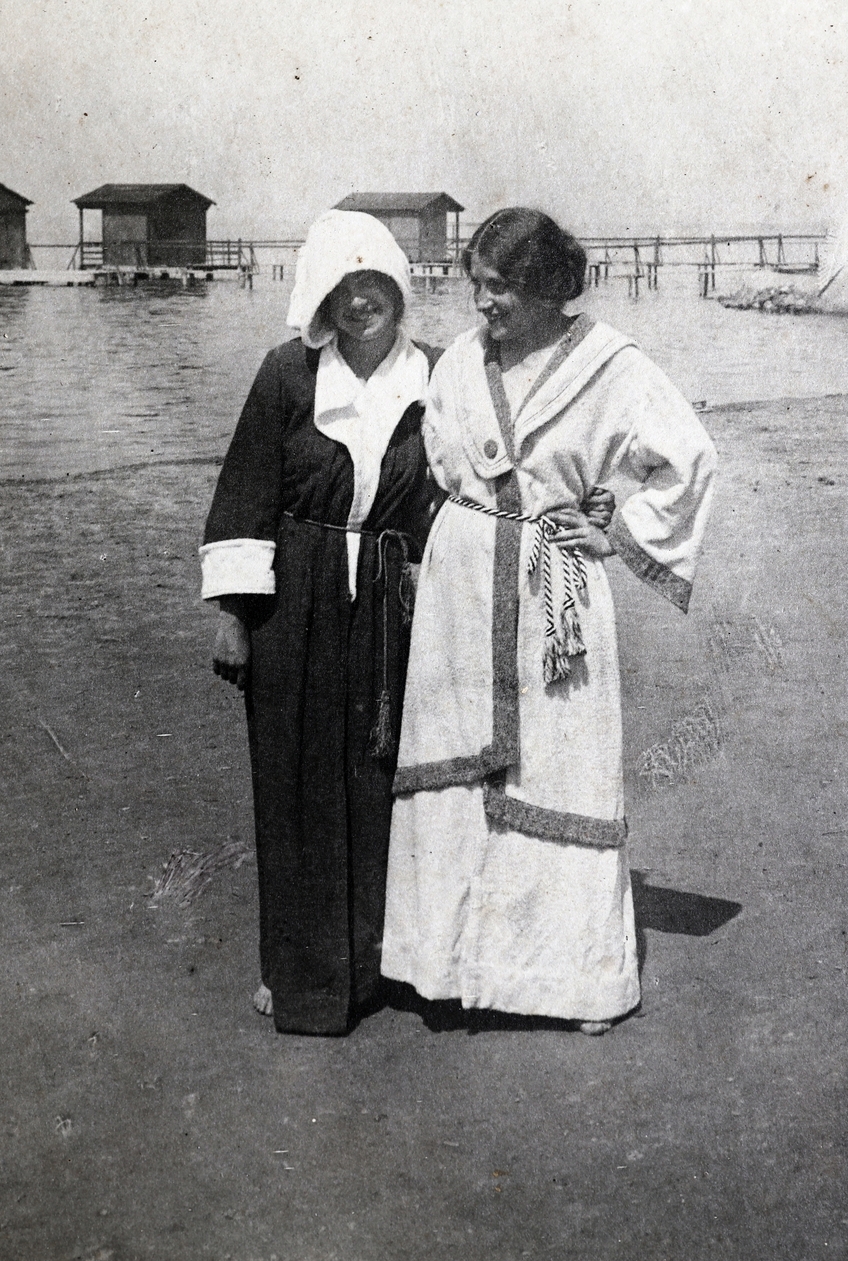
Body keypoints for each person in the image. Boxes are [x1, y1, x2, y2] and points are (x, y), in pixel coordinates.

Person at [381, 208, 718, 1035]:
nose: (482, 304)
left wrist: (618, 530)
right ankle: (448, 966)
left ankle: (571, 981)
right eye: (476, 286)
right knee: (455, 765)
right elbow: (423, 459)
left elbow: (691, 457)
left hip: (553, 584)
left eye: (498, 288)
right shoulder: (460, 361)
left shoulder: (612, 366)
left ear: (542, 288)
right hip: (462, 583)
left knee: (561, 763)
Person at [200, 210, 438, 1035]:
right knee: (294, 778)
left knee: (381, 777)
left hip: (387, 600)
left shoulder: (437, 378)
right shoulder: (286, 375)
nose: (360, 300)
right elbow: (244, 493)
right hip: (293, 596)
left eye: (375, 284)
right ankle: (296, 972)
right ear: (323, 298)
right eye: (344, 286)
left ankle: (375, 968)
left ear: (400, 290)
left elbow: (468, 486)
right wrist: (233, 616)